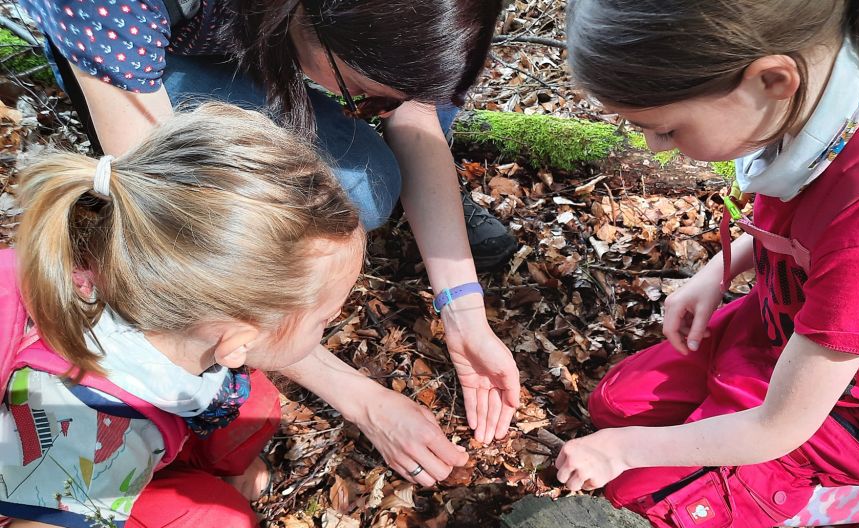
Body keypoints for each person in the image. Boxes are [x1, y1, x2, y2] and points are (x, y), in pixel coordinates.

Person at [557, 0, 859, 528]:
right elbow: (805, 227)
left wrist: (623, 452)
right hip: (780, 332)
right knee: (615, 403)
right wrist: (719, 270)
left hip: (844, 412)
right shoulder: (834, 93)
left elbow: (778, 426)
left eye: (665, 128)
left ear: (771, 80)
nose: (656, 148)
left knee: (631, 507)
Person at [18, 0, 521, 481]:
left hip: (256, 31)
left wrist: (463, 311)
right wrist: (360, 399)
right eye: (368, 98)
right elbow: (190, 241)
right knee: (363, 188)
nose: (375, 112)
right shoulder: (109, 11)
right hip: (158, 58)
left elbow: (416, 116)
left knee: (402, 125)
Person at [0, 102, 398, 528]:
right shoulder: (95, 449)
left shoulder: (120, 253)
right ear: (235, 339)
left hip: (65, 430)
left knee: (250, 408)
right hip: (40, 516)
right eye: (325, 320)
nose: (328, 331)